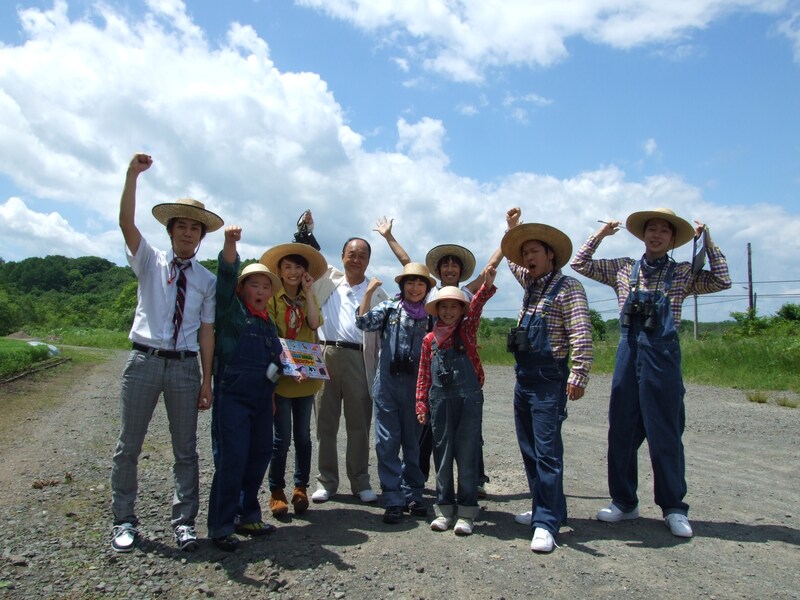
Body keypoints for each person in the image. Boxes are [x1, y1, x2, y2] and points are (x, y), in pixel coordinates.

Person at [570, 207, 731, 538]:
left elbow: (722, 279)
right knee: (621, 433)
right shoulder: (623, 268)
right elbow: (579, 264)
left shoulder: (684, 273)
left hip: (663, 359)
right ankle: (625, 502)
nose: (656, 235)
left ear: (673, 239)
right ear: (643, 234)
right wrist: (599, 235)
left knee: (666, 435)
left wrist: (709, 243)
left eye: (664, 231)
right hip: (628, 356)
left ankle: (673, 508)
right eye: (651, 229)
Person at [111, 153, 222, 553]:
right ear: (171, 229)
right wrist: (132, 176)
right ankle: (123, 518)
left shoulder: (206, 280)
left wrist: (206, 379)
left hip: (183, 367)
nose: (189, 232)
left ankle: (184, 522)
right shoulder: (149, 261)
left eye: (195, 227)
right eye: (182, 226)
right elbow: (127, 224)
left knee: (185, 449)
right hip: (143, 360)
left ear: (201, 235)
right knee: (129, 445)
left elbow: (206, 332)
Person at [373, 216, 491, 497]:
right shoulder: (427, 290)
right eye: (445, 264)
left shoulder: (464, 293)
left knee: (467, 429)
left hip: (459, 364)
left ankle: (473, 480)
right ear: (436, 271)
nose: (450, 268)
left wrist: (510, 235)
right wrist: (389, 237)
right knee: (427, 427)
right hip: (427, 358)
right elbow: (408, 264)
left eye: (455, 265)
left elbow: (489, 272)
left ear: (461, 271)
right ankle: (423, 482)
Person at [501, 208, 593, 553]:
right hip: (523, 376)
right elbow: (511, 264)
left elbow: (582, 332)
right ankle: (549, 508)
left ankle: (546, 523)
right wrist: (513, 229)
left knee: (547, 452)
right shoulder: (531, 283)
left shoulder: (568, 287)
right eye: (525, 253)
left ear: (550, 255)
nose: (527, 258)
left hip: (549, 377)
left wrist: (579, 373)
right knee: (529, 448)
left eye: (534, 252)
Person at [207, 227, 284, 551]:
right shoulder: (231, 312)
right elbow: (224, 275)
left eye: (266, 286)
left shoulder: (269, 324)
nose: (262, 290)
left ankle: (247, 514)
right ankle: (221, 525)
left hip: (262, 397)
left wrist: (273, 397)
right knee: (232, 457)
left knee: (260, 453)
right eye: (255, 284)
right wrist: (230, 244)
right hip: (233, 396)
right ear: (242, 289)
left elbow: (276, 363)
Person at [308, 227, 388, 504]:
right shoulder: (327, 281)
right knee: (325, 424)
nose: (356, 259)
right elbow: (311, 255)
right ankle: (326, 482)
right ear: (342, 256)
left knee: (359, 425)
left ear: (368, 260)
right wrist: (306, 230)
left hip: (359, 358)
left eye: (362, 255)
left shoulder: (378, 294)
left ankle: (360, 483)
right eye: (351, 254)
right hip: (326, 351)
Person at [415, 268, 497, 536]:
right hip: (439, 400)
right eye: (444, 307)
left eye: (454, 306)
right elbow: (424, 374)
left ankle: (467, 512)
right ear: (436, 309)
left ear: (462, 310)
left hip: (469, 399)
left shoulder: (467, 329)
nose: (449, 311)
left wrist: (486, 286)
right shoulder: (429, 340)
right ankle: (444, 509)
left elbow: (478, 306)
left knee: (467, 452)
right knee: (442, 452)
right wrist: (421, 403)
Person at [355, 263, 436, 524]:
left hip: (418, 385)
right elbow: (363, 323)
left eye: (420, 283)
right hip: (388, 384)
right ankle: (392, 497)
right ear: (402, 285)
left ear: (426, 288)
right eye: (410, 282)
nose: (415, 288)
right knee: (386, 442)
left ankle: (413, 494)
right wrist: (368, 293)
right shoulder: (389, 307)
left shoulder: (431, 314)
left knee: (413, 442)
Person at [260, 241, 327, 516]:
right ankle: (276, 489)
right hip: (283, 378)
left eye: (298, 267)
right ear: (279, 270)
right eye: (287, 267)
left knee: (304, 437)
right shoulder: (273, 299)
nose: (293, 272)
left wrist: (309, 292)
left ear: (305, 272)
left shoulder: (309, 296)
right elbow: (274, 334)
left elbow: (313, 323)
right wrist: (290, 365)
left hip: (307, 378)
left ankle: (301, 487)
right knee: (281, 439)